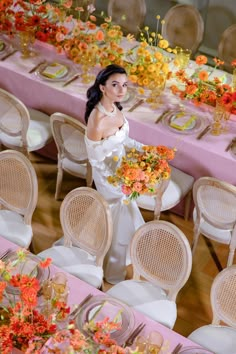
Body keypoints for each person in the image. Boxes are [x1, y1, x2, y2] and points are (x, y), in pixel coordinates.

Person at [84, 64, 145, 284]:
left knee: (125, 211)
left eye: (124, 85)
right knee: (122, 205)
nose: (121, 90)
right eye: (115, 84)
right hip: (107, 177)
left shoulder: (115, 108)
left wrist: (144, 149)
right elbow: (95, 160)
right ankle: (113, 270)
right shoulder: (97, 120)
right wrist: (119, 182)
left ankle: (123, 254)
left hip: (121, 170)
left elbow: (123, 140)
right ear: (102, 87)